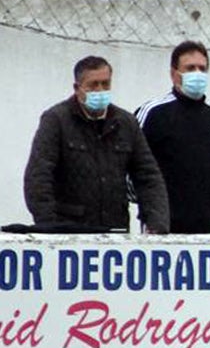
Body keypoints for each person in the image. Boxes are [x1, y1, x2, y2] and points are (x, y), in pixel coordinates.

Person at [23, 55, 169, 233]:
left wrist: (156, 224)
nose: (100, 90)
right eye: (93, 85)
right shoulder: (56, 120)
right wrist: (49, 226)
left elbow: (148, 176)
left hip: (116, 231)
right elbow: (38, 177)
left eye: (105, 84)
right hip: (69, 233)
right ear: (77, 88)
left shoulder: (126, 123)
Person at [134, 41, 210, 233]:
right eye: (190, 68)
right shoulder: (153, 113)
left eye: (202, 69)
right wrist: (152, 211)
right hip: (164, 230)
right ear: (174, 74)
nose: (197, 73)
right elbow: (131, 168)